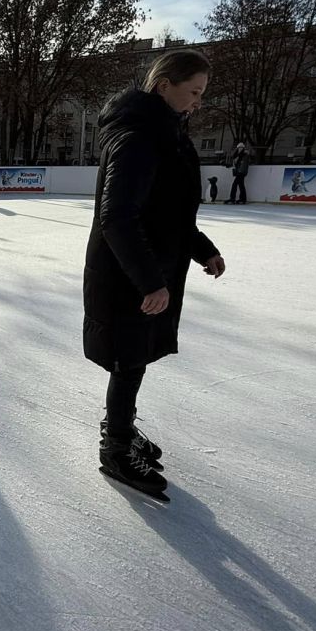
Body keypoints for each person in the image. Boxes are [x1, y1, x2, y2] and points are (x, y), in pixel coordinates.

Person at [83, 49, 225, 499]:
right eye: (194, 92)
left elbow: (169, 211)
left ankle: (119, 425)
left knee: (135, 357)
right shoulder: (139, 135)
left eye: (203, 94)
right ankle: (116, 449)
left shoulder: (164, 132)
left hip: (147, 269)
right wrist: (149, 280)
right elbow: (118, 216)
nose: (198, 102)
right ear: (164, 86)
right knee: (129, 359)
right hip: (128, 275)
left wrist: (203, 250)